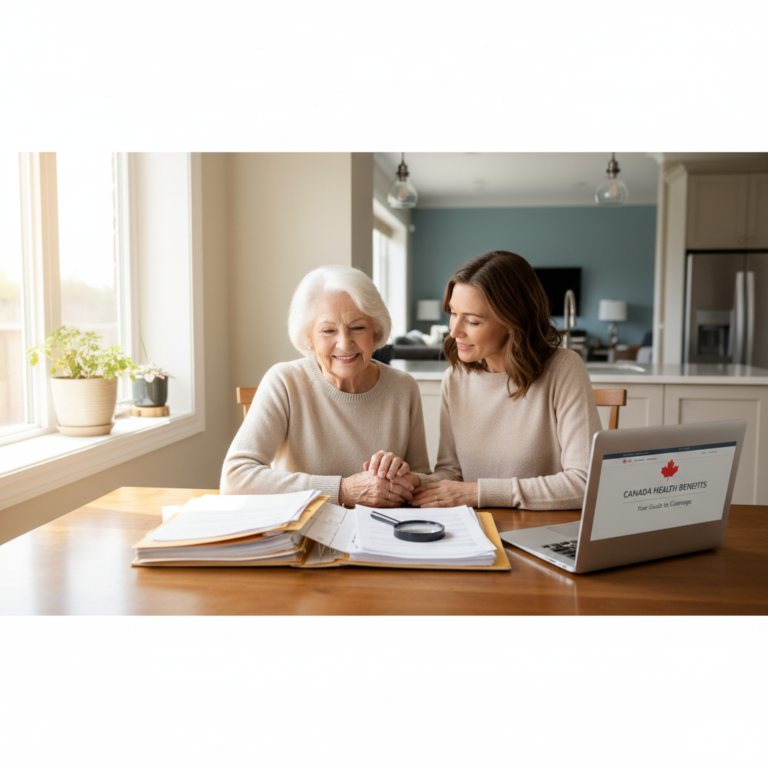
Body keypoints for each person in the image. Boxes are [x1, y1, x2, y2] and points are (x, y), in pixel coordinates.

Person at [402, 250, 602, 511]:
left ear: (512, 320)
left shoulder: (564, 369)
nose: (454, 331)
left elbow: (585, 483)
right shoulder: (456, 377)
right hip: (473, 531)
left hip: (540, 529)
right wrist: (411, 481)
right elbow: (452, 474)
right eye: (452, 313)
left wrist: (478, 493)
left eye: (472, 320)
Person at [221, 265, 429, 507]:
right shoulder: (284, 382)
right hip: (305, 537)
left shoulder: (404, 388)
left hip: (380, 536)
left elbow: (423, 479)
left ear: (376, 330)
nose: (344, 343)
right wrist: (343, 490)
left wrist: (404, 477)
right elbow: (235, 480)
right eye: (328, 330)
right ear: (309, 337)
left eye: (358, 327)